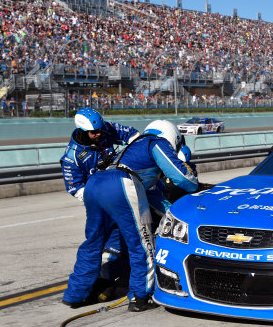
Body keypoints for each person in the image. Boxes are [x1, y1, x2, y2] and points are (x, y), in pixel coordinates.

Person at [62, 120, 199, 312]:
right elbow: (181, 177)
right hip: (121, 184)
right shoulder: (155, 142)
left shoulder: (130, 149)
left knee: (93, 243)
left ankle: (75, 295)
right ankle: (139, 297)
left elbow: (149, 196)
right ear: (173, 136)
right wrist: (195, 185)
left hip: (94, 185)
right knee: (142, 244)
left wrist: (169, 210)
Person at [60, 108, 140, 301]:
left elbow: (135, 136)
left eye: (99, 130)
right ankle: (76, 295)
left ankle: (118, 278)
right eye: (93, 132)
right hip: (98, 204)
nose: (99, 134)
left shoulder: (106, 129)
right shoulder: (72, 158)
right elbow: (75, 188)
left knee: (125, 240)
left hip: (122, 191)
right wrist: (99, 198)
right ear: (82, 131)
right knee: (94, 245)